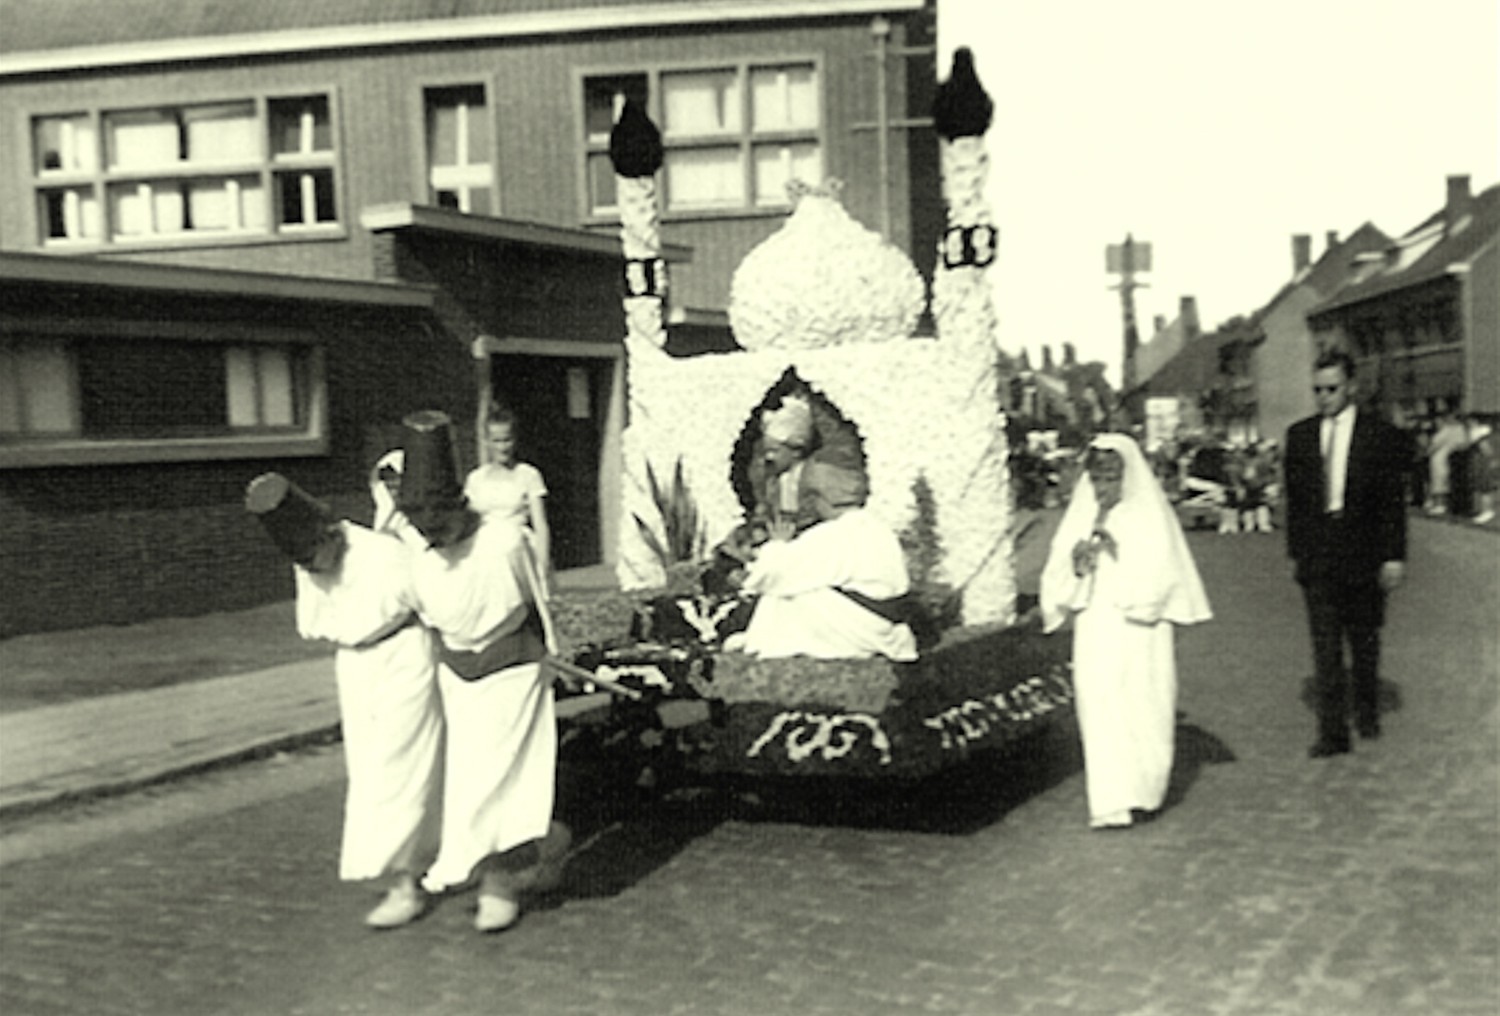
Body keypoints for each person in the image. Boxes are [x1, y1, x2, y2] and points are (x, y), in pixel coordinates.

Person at [245, 467, 444, 930]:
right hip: (355, 667)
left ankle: (405, 884)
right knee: (369, 770)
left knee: (401, 766)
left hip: (404, 657)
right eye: (307, 564)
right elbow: (316, 620)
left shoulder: (383, 553)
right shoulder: (309, 563)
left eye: (318, 556)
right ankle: (415, 863)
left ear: (330, 532)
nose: (317, 570)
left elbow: (430, 603)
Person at [397, 409, 566, 934]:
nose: (434, 537)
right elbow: (425, 617)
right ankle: (549, 842)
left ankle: (500, 882)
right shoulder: (419, 555)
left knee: (504, 781)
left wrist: (550, 653)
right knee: (471, 781)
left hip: (512, 671)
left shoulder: (504, 542)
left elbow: (537, 604)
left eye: (439, 524)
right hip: (458, 676)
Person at [1040, 433, 1212, 829]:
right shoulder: (1081, 515)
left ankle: (1144, 790)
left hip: (1140, 630)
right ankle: (1111, 800)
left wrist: (1119, 554)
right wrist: (1077, 567)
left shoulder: (1150, 516)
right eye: (1097, 480)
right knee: (1098, 701)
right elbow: (1059, 578)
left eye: (1112, 479)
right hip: (1097, 624)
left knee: (1142, 703)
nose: (1104, 489)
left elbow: (1163, 577)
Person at [1283, 349, 1408, 757]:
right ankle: (1332, 732)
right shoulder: (1300, 436)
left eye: (1332, 389)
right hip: (1319, 554)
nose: (1324, 397)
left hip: (1364, 552)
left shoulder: (1379, 435)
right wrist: (1297, 552)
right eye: (1317, 390)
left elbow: (1392, 500)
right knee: (1326, 647)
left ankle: (1367, 709)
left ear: (1351, 387)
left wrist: (1393, 556)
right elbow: (1295, 502)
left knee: (1364, 640)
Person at [727, 458, 918, 661]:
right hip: (886, 626)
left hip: (861, 628)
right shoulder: (879, 529)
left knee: (783, 593)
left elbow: (774, 575)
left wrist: (778, 544)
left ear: (822, 499)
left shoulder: (830, 534)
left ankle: (763, 641)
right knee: (802, 587)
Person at [465, 402, 553, 597]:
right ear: (486, 442)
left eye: (507, 440)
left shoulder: (528, 475)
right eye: (496, 441)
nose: (502, 447)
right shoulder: (476, 478)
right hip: (484, 547)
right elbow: (469, 520)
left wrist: (543, 563)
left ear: (515, 440)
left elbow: (540, 523)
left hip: (516, 545)